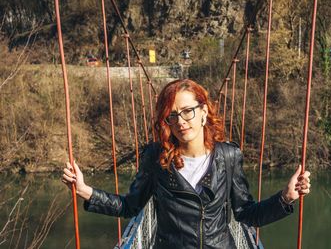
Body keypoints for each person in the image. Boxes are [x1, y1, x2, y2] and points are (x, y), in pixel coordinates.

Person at [62, 79, 311, 249]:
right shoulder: (155, 158)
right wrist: (85, 191)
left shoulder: (228, 156)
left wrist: (285, 198)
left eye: (187, 111)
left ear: (203, 112)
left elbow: (246, 213)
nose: (181, 121)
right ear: (167, 122)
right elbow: (129, 206)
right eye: (172, 115)